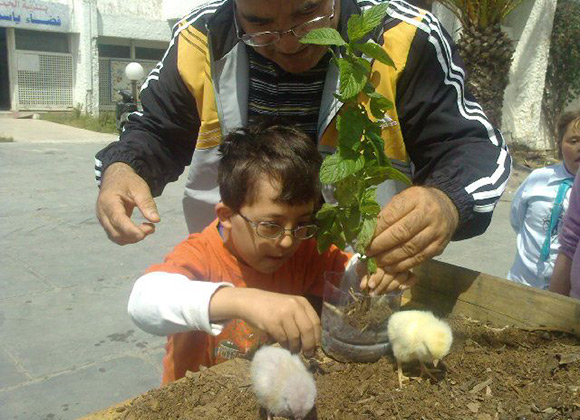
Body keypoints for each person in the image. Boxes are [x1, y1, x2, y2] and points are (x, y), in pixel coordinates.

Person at [94, 0, 511, 275]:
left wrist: (446, 200)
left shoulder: (402, 37)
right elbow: (154, 127)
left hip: (359, 277)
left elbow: (472, 144)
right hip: (232, 276)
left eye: (308, 15)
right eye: (260, 25)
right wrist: (123, 167)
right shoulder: (199, 38)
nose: (290, 43)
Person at [127, 123, 416, 383]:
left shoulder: (305, 252)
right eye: (270, 225)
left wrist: (379, 270)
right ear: (226, 215)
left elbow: (351, 271)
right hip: (195, 402)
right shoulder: (201, 255)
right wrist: (242, 301)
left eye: (303, 223)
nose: (288, 242)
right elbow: (144, 302)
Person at [507, 110, 580, 289]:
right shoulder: (538, 179)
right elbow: (517, 219)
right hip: (520, 282)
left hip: (564, 292)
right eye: (573, 141)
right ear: (560, 144)